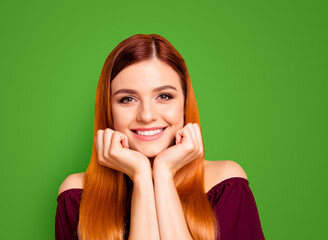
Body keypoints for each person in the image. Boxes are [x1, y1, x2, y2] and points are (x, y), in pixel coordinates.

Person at [55, 34, 265, 240]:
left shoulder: (226, 185)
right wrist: (141, 176)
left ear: (184, 105)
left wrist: (164, 173)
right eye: (127, 99)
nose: (147, 115)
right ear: (108, 110)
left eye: (164, 96)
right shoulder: (77, 196)